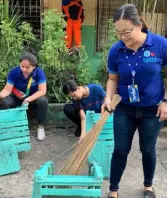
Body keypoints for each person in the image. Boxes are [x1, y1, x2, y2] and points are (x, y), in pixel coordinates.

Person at [102, 4, 167, 198]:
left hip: (152, 110)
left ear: (139, 24)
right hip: (124, 109)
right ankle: (113, 190)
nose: (123, 37)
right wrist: (107, 98)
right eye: (118, 33)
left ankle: (148, 187)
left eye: (127, 31)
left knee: (148, 150)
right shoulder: (116, 50)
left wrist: (166, 101)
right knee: (120, 150)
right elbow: (113, 79)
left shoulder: (160, 45)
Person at [0, 52, 48, 141]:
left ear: (34, 67)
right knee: (2, 101)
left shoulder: (39, 72)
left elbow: (42, 91)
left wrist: (28, 99)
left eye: (27, 67)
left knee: (43, 101)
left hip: (33, 98)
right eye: (22, 66)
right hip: (18, 98)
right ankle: (10, 127)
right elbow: (7, 90)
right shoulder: (14, 72)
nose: (24, 69)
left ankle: (41, 128)